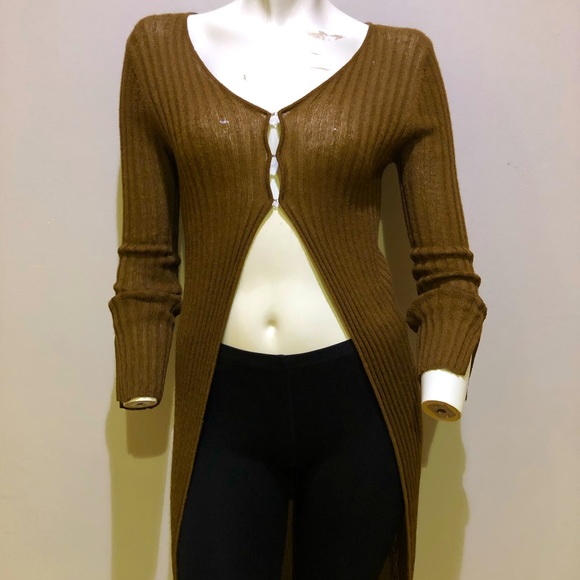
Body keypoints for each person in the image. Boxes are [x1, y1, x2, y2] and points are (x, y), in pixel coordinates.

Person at [108, 1, 488, 578]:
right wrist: (142, 370)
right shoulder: (158, 52)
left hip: (362, 398)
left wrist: (443, 372)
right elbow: (146, 255)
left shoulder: (402, 60)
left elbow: (447, 269)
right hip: (221, 399)